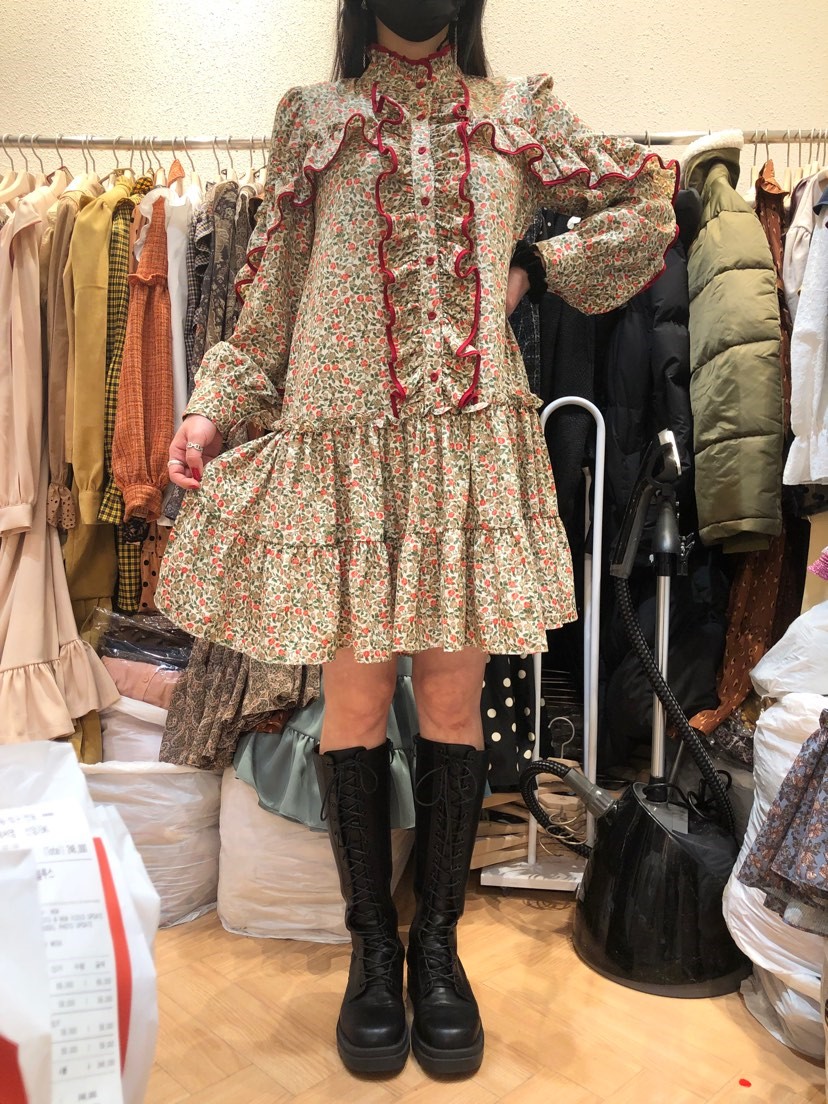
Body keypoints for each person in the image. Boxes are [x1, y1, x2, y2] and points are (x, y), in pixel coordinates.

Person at [158, 0, 678, 1079]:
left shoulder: (513, 114)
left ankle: (436, 947)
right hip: (343, 456)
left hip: (465, 455)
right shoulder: (314, 118)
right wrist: (212, 409)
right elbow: (268, 305)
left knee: (448, 705)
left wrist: (537, 266)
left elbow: (648, 199)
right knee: (353, 706)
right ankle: (371, 950)